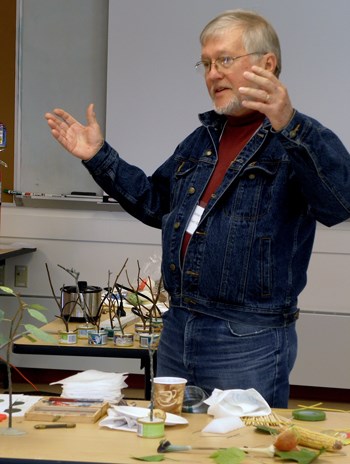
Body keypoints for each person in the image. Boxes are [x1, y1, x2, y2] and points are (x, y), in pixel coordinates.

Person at [45, 9, 350, 407]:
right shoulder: (202, 139)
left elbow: (338, 203)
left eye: (224, 60)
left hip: (247, 339)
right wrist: (99, 157)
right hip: (178, 329)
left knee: (241, 447)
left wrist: (289, 122)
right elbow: (157, 203)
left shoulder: (292, 139)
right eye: (205, 64)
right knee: (171, 443)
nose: (212, 74)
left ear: (267, 65)